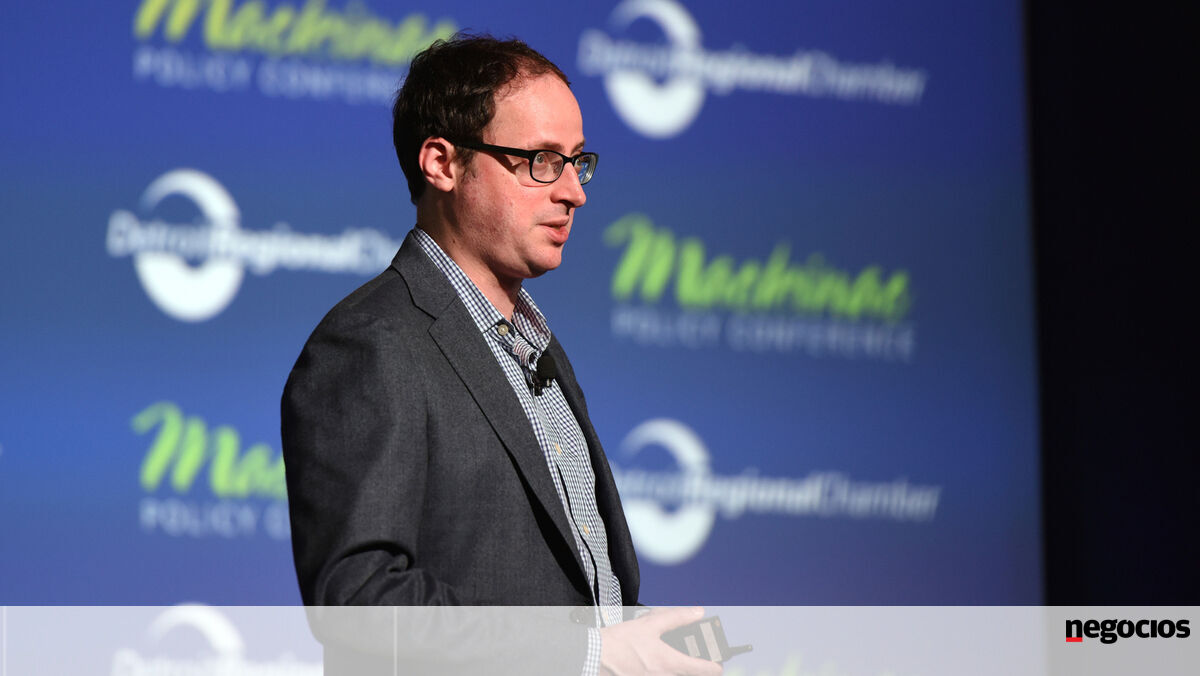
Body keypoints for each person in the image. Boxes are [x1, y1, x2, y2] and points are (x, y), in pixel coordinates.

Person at [281, 35, 721, 676]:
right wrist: (589, 652)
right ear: (442, 163)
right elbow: (360, 600)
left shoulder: (537, 344)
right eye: (542, 161)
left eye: (577, 162)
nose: (573, 192)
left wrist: (637, 637)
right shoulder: (373, 344)